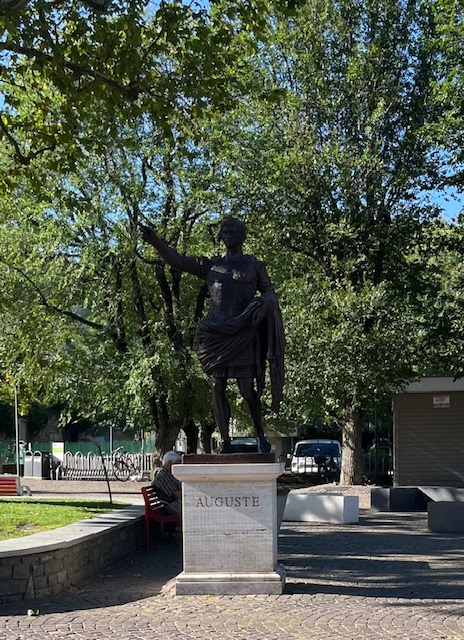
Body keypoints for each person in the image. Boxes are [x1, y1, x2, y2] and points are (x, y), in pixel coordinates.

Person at [139, 217, 285, 454]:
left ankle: (260, 436)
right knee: (217, 386)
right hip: (216, 333)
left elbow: (270, 293)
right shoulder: (211, 266)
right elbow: (177, 261)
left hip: (244, 332)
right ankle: (225, 440)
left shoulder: (253, 266)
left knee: (247, 391)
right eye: (224, 231)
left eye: (233, 231)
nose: (228, 235)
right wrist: (156, 241)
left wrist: (264, 305)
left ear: (242, 236)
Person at [152, 451, 182, 515]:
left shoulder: (168, 473)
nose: (178, 466)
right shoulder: (162, 475)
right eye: (176, 463)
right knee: (191, 508)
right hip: (169, 505)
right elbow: (177, 495)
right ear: (170, 463)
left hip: (172, 503)